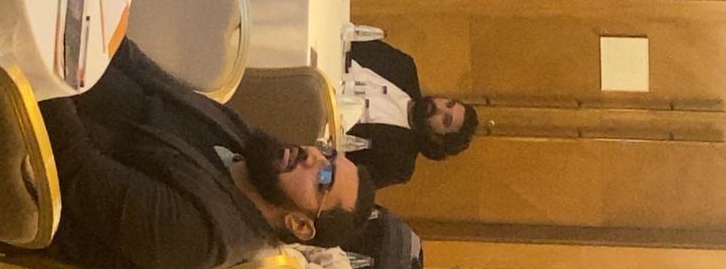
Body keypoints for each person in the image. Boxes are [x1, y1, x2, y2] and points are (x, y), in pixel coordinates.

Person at [34, 39, 375, 269]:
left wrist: (41, 51)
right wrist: (80, 20)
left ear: (299, 224)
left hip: (26, 136)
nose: (313, 156)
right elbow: (139, 67)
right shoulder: (246, 149)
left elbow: (72, 163)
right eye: (327, 154)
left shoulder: (201, 235)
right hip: (61, 77)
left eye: (323, 178)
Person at [348, 39, 478, 189]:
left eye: (446, 120)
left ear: (438, 138)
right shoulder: (404, 67)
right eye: (448, 104)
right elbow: (350, 38)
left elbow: (347, 183)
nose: (439, 108)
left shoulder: (399, 163)